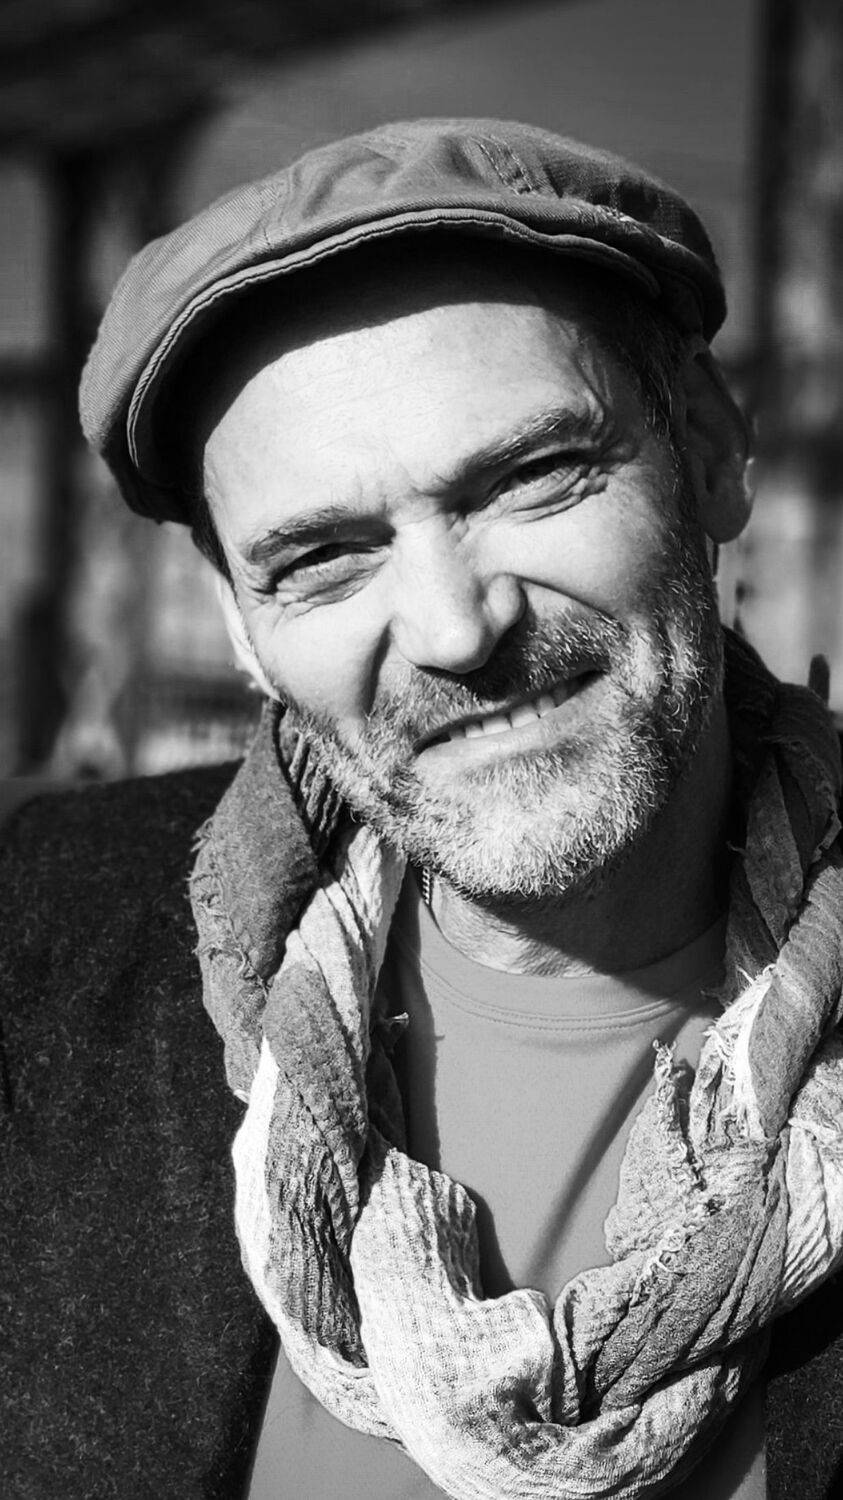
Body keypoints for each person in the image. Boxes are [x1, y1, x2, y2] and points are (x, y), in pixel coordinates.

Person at [2, 118, 843, 1500]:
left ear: (709, 449)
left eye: (530, 478)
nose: (455, 630)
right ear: (244, 627)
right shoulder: (47, 934)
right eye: (324, 558)